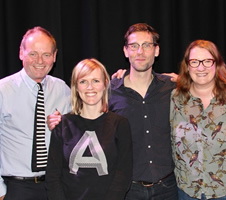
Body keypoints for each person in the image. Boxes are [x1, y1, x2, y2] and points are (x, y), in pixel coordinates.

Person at [45, 58, 132, 199]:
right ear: (76, 86)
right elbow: (53, 175)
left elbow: (123, 173)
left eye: (96, 81)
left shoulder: (120, 124)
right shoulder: (62, 125)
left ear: (105, 84)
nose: (89, 87)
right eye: (83, 81)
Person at [108, 23, 178, 199]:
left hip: (168, 188)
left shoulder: (173, 87)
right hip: (128, 190)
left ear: (156, 50)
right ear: (126, 51)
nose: (140, 52)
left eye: (147, 45)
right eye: (134, 46)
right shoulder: (109, 92)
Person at [0, 26, 71, 199]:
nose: (39, 60)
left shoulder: (62, 89)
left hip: (55, 186)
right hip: (17, 188)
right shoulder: (3, 90)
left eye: (46, 54)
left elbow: (84, 125)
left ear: (54, 56)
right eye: (33, 54)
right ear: (21, 53)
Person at [170, 40, 226, 200]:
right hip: (188, 192)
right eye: (194, 62)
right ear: (187, 66)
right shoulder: (176, 98)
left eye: (207, 61)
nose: (201, 67)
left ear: (216, 64)